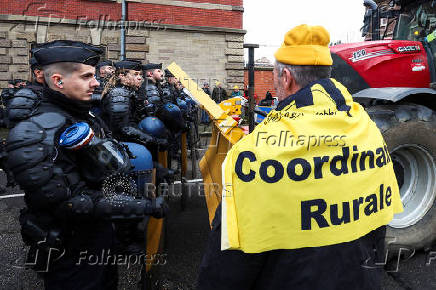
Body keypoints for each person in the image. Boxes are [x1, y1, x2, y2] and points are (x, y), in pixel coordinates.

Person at [197, 25, 403, 290]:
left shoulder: (254, 157)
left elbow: (225, 270)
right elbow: (378, 230)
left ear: (285, 77)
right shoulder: (368, 131)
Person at [5, 40, 166, 290]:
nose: (97, 82)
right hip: (70, 251)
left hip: (100, 237)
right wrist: (142, 206)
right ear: (58, 81)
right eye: (87, 76)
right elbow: (71, 203)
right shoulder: (34, 132)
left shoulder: (82, 115)